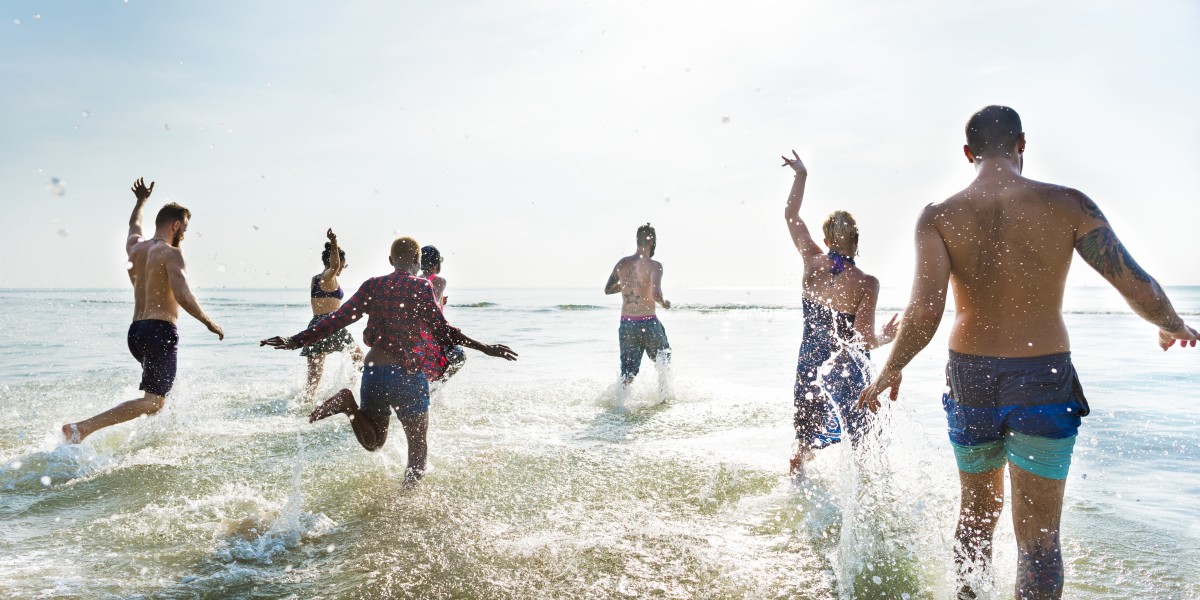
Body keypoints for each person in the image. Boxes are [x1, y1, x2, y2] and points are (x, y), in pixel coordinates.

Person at [856, 106, 1199, 599]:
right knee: (1038, 541)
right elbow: (1137, 285)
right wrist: (1171, 325)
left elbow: (926, 312)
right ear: (1022, 144)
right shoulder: (1068, 204)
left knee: (975, 522)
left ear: (968, 153)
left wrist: (890, 369)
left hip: (970, 378)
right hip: (1042, 376)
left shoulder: (939, 216)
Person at [261, 237, 517, 484]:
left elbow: (337, 319)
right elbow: (443, 331)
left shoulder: (372, 285)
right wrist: (485, 348)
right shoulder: (421, 287)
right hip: (407, 374)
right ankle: (407, 500)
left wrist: (295, 340)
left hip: (374, 370)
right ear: (416, 259)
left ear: (391, 260)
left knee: (373, 442)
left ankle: (349, 405)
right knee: (417, 450)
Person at [62, 178, 224, 443]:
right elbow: (183, 295)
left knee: (163, 393)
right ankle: (81, 428)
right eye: (184, 228)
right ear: (176, 225)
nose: (184, 234)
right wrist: (209, 323)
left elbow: (134, 225)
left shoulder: (135, 247)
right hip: (160, 331)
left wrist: (140, 201)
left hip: (136, 333)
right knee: (154, 402)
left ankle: (160, 441)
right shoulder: (171, 253)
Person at [780, 151, 898, 476]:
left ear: (825, 239)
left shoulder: (810, 260)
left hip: (810, 364)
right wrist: (888, 336)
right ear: (856, 239)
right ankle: (862, 494)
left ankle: (796, 487)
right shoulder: (867, 283)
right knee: (860, 443)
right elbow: (864, 340)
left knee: (803, 442)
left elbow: (791, 214)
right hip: (845, 370)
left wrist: (801, 174)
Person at [604, 223, 672, 386]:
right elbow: (656, 294)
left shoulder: (622, 263)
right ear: (651, 241)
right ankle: (664, 397)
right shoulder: (655, 265)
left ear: (637, 240)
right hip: (648, 322)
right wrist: (664, 303)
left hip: (627, 324)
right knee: (663, 361)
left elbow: (608, 289)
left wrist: (626, 285)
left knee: (628, 373)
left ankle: (619, 399)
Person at [299, 228, 364, 400]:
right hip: (331, 324)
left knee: (313, 380)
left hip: (315, 325)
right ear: (336, 262)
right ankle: (348, 392)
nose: (342, 268)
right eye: (343, 265)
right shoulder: (329, 277)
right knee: (360, 359)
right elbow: (334, 266)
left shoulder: (315, 279)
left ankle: (306, 403)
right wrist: (334, 242)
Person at [420, 245, 466, 381]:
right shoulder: (439, 280)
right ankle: (437, 385)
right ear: (437, 264)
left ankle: (431, 384)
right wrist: (439, 302)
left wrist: (441, 302)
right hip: (433, 333)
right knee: (459, 356)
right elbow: (433, 308)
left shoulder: (417, 279)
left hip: (418, 332)